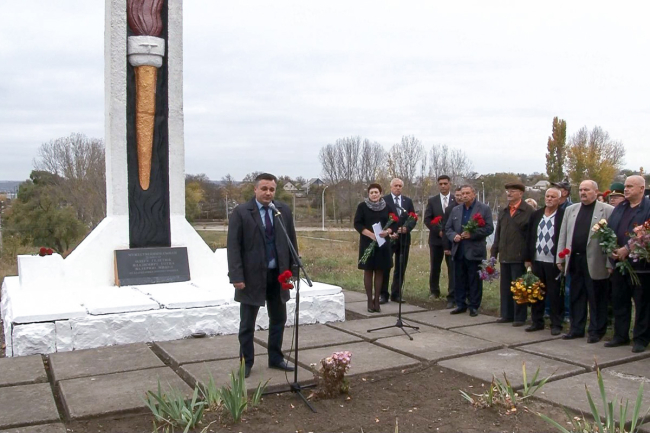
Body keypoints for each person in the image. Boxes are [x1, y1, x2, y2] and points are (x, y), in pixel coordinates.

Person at [227, 173, 296, 378]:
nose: (268, 193)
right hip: (251, 277)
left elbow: (291, 241)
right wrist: (236, 276)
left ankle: (275, 358)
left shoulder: (282, 211)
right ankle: (246, 363)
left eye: (272, 189)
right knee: (247, 324)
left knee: (279, 319)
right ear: (255, 189)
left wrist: (292, 270)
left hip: (278, 275)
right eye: (264, 188)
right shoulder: (241, 212)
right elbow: (233, 246)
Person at [556, 180, 614, 343]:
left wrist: (610, 262)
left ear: (596, 191)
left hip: (596, 261)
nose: (583, 192)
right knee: (576, 296)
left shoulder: (607, 210)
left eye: (587, 190)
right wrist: (560, 258)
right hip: (575, 260)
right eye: (581, 189)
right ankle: (576, 329)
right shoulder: (571, 210)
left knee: (596, 298)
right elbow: (563, 235)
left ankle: (596, 331)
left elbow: (612, 238)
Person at [606, 175, 650, 353]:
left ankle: (641, 339)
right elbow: (610, 229)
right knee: (619, 300)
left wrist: (627, 248)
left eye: (630, 186)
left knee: (642, 303)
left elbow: (647, 233)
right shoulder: (620, 207)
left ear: (642, 189)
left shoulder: (648, 207)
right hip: (619, 263)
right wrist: (611, 248)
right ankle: (620, 335)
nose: (626, 189)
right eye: (625, 186)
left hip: (641, 266)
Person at [445, 185, 494, 316]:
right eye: (462, 193)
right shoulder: (456, 210)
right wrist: (453, 236)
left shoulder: (484, 209)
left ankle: (474, 306)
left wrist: (472, 235)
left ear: (474, 194)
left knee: (474, 280)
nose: (464, 196)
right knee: (459, 279)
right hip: (459, 250)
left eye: (467, 193)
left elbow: (489, 228)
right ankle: (461, 304)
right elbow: (448, 228)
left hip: (475, 251)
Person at [491, 182, 534, 326]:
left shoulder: (529, 211)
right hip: (505, 255)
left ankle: (519, 317)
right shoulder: (504, 211)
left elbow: (531, 237)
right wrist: (494, 253)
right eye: (508, 191)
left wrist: (528, 257)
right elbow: (498, 234)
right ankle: (506, 314)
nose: (509, 193)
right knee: (505, 288)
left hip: (520, 256)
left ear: (521, 193)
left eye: (513, 191)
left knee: (519, 287)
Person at [524, 187, 565, 335]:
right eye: (547, 196)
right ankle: (537, 321)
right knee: (537, 292)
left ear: (559, 199)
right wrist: (528, 258)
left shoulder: (562, 215)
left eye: (553, 197)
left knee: (555, 294)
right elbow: (529, 236)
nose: (549, 199)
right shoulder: (536, 215)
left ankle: (556, 324)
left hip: (553, 261)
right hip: (537, 259)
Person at [354, 183, 394, 312]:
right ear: (368, 194)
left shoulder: (387, 206)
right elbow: (357, 224)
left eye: (376, 192)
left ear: (380, 193)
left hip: (382, 244)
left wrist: (387, 231)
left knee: (380, 271)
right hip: (368, 243)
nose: (374, 194)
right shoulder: (362, 206)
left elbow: (394, 222)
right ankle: (369, 301)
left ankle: (377, 300)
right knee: (368, 270)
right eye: (372, 193)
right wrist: (371, 235)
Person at [381, 178, 416, 304]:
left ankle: (396, 293)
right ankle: (383, 294)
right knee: (386, 266)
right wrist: (389, 232)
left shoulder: (407, 201)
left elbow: (413, 217)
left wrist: (407, 228)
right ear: (391, 187)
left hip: (404, 239)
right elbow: (381, 219)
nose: (398, 188)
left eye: (400, 186)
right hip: (389, 238)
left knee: (401, 267)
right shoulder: (384, 200)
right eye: (396, 185)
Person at [424, 175, 457, 304]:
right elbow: (427, 219)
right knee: (435, 266)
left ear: (450, 184)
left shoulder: (455, 200)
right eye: (440, 184)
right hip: (436, 240)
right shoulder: (432, 201)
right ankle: (434, 291)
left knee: (452, 267)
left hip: (451, 240)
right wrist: (438, 231)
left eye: (445, 183)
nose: (443, 186)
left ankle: (452, 292)